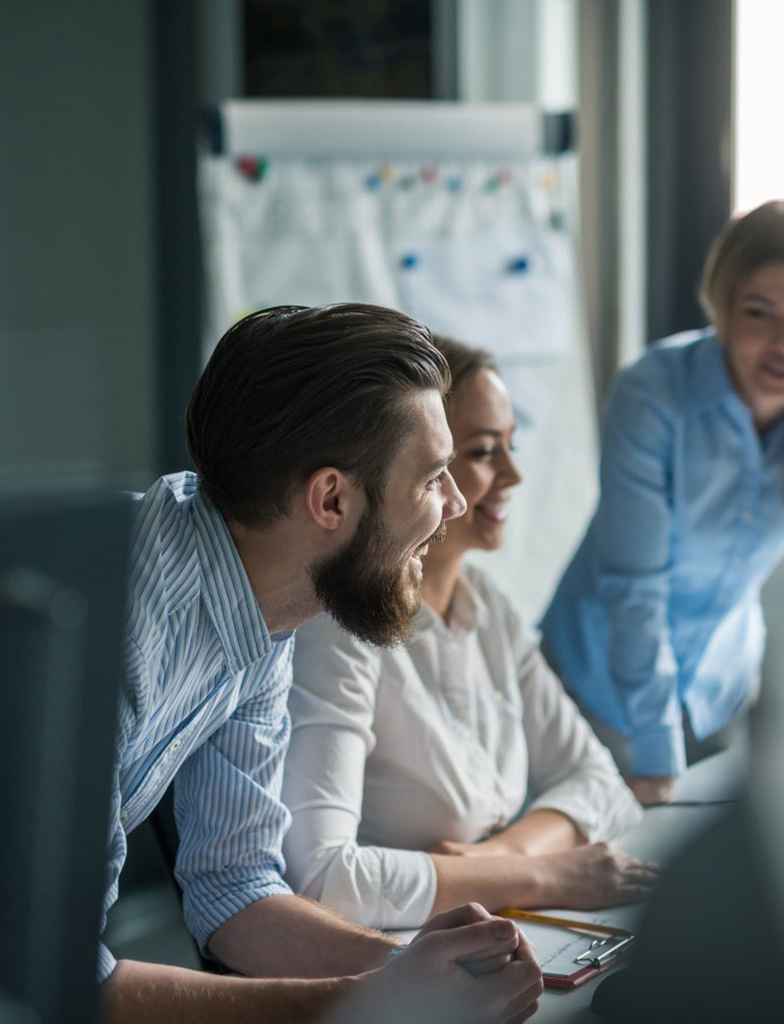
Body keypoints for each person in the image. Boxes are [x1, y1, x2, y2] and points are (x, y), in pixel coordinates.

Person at [100, 304, 544, 1024]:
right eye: (432, 477)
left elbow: (234, 889)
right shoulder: (121, 621)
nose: (458, 501)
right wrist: (376, 1000)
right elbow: (69, 981)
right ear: (331, 497)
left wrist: (410, 969)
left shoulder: (266, 605)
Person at [280, 337, 656, 931]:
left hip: (492, 919)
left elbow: (599, 781)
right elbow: (324, 883)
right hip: (391, 952)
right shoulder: (339, 627)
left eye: (511, 444)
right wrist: (545, 874)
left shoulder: (487, 609)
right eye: (483, 452)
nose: (512, 474)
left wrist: (497, 859)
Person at [541, 199, 784, 805]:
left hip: (720, 689)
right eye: (760, 314)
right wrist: (657, 756)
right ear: (722, 305)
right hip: (596, 691)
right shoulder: (653, 393)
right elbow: (636, 587)